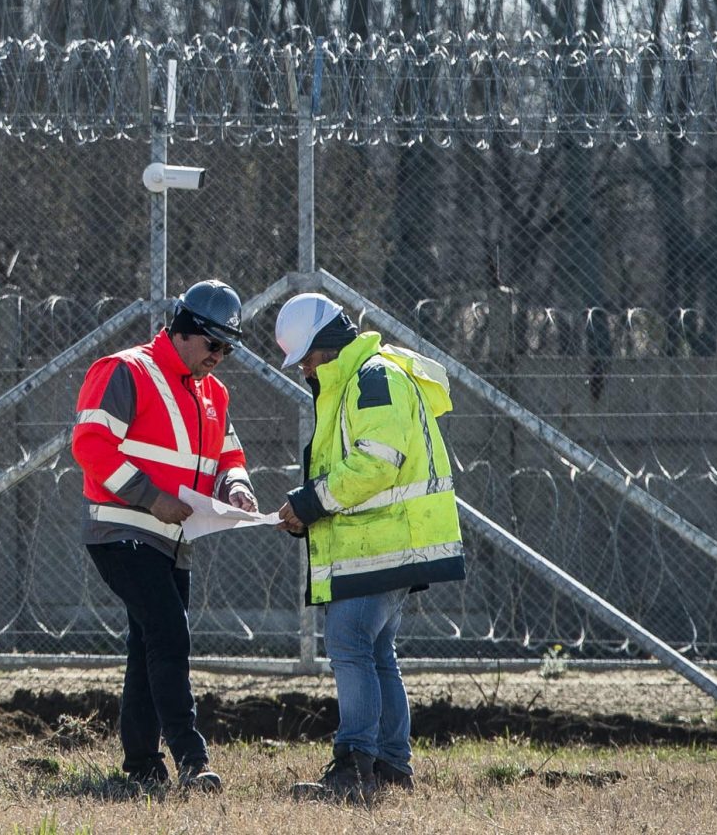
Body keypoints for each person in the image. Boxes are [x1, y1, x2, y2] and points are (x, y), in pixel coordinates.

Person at [273, 291, 465, 802]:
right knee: (378, 652)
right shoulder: (362, 377)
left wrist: (311, 502)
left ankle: (355, 765)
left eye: (308, 360)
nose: (307, 373)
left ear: (327, 345)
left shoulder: (372, 379)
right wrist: (309, 511)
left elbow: (377, 463)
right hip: (386, 541)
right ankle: (389, 766)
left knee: (350, 645)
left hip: (386, 542)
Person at [70, 279, 255, 795]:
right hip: (122, 530)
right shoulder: (126, 371)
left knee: (148, 644)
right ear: (183, 330)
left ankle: (141, 765)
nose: (220, 355)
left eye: (228, 347)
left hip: (173, 539)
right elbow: (91, 445)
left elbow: (229, 458)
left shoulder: (213, 393)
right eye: (213, 344)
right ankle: (191, 760)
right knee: (169, 637)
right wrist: (150, 497)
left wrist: (237, 488)